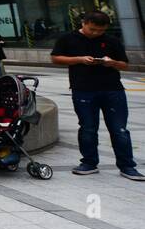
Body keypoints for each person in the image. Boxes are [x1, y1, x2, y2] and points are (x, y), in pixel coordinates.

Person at [51, 10, 141, 180]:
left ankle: (127, 166)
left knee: (119, 129)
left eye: (100, 30)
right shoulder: (68, 39)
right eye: (92, 29)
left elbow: (124, 65)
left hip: (113, 90)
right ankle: (89, 163)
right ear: (83, 23)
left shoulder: (111, 40)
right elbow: (55, 58)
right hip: (83, 89)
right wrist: (79, 59)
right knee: (88, 128)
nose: (96, 33)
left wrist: (112, 63)